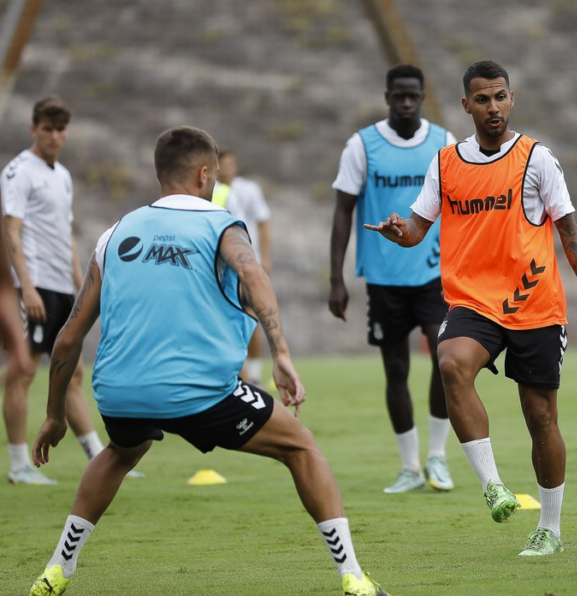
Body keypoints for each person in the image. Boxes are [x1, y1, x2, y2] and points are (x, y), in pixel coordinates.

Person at [27, 126, 387, 596]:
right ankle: (353, 577)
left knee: (122, 451)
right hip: (199, 393)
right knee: (300, 446)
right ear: (203, 175)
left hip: (120, 393)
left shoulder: (114, 233)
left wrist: (55, 415)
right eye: (215, 176)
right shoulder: (220, 223)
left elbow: (68, 337)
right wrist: (280, 352)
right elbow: (254, 273)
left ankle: (57, 569)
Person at [365, 60, 577, 557]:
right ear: (466, 105)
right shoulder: (445, 162)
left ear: (511, 99)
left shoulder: (537, 158)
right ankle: (493, 485)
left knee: (540, 417)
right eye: (483, 99)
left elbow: (568, 228)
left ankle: (550, 528)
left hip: (535, 303)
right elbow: (416, 229)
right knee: (451, 361)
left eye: (500, 97)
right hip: (474, 301)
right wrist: (399, 232)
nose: (493, 107)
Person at [329, 64, 458, 494]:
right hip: (384, 277)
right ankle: (409, 467)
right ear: (387, 96)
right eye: (398, 95)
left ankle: (438, 459)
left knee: (445, 360)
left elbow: (461, 209)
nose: (405, 102)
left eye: (413, 96)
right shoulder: (361, 146)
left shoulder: (444, 144)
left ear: (422, 96)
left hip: (434, 274)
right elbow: (343, 210)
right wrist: (337, 278)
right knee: (395, 369)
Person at [0, 96, 109, 485]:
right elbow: (10, 232)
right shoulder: (18, 173)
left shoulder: (61, 175)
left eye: (61, 129)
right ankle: (18, 466)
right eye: (47, 128)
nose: (54, 136)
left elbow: (64, 233)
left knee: (72, 373)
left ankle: (99, 458)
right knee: (23, 371)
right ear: (34, 129)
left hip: (62, 286)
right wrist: (25, 288)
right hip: (34, 285)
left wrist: (81, 284)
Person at [213, 149, 272, 385]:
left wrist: (265, 258)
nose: (227, 168)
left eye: (231, 164)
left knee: (250, 315)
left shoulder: (248, 190)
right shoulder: (213, 192)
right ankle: (235, 374)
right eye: (222, 164)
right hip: (221, 268)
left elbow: (262, 222)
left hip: (248, 264)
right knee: (228, 317)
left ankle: (254, 374)